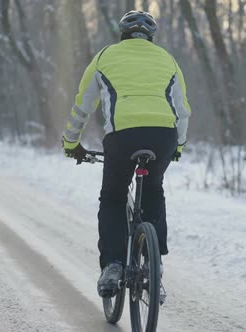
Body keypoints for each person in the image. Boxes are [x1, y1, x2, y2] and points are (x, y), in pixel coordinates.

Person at [62, 10, 191, 298]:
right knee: (154, 191)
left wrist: (71, 142)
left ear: (122, 34)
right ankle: (154, 267)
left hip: (123, 136)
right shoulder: (167, 59)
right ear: (150, 37)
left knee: (113, 197)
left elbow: (83, 106)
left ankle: (112, 265)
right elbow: (182, 110)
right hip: (163, 136)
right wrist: (178, 146)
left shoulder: (105, 56)